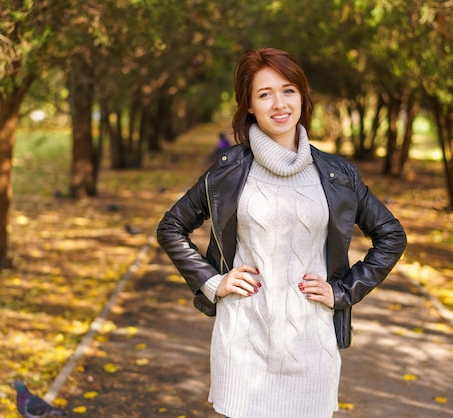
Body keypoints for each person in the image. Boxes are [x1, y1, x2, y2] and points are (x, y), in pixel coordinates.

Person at [157, 47, 407, 418]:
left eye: (288, 90)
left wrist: (343, 291)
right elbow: (171, 227)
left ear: (302, 98)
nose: (279, 103)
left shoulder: (337, 174)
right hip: (242, 342)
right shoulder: (228, 172)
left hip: (312, 346)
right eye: (264, 94)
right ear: (249, 106)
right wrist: (213, 282)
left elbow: (391, 235)